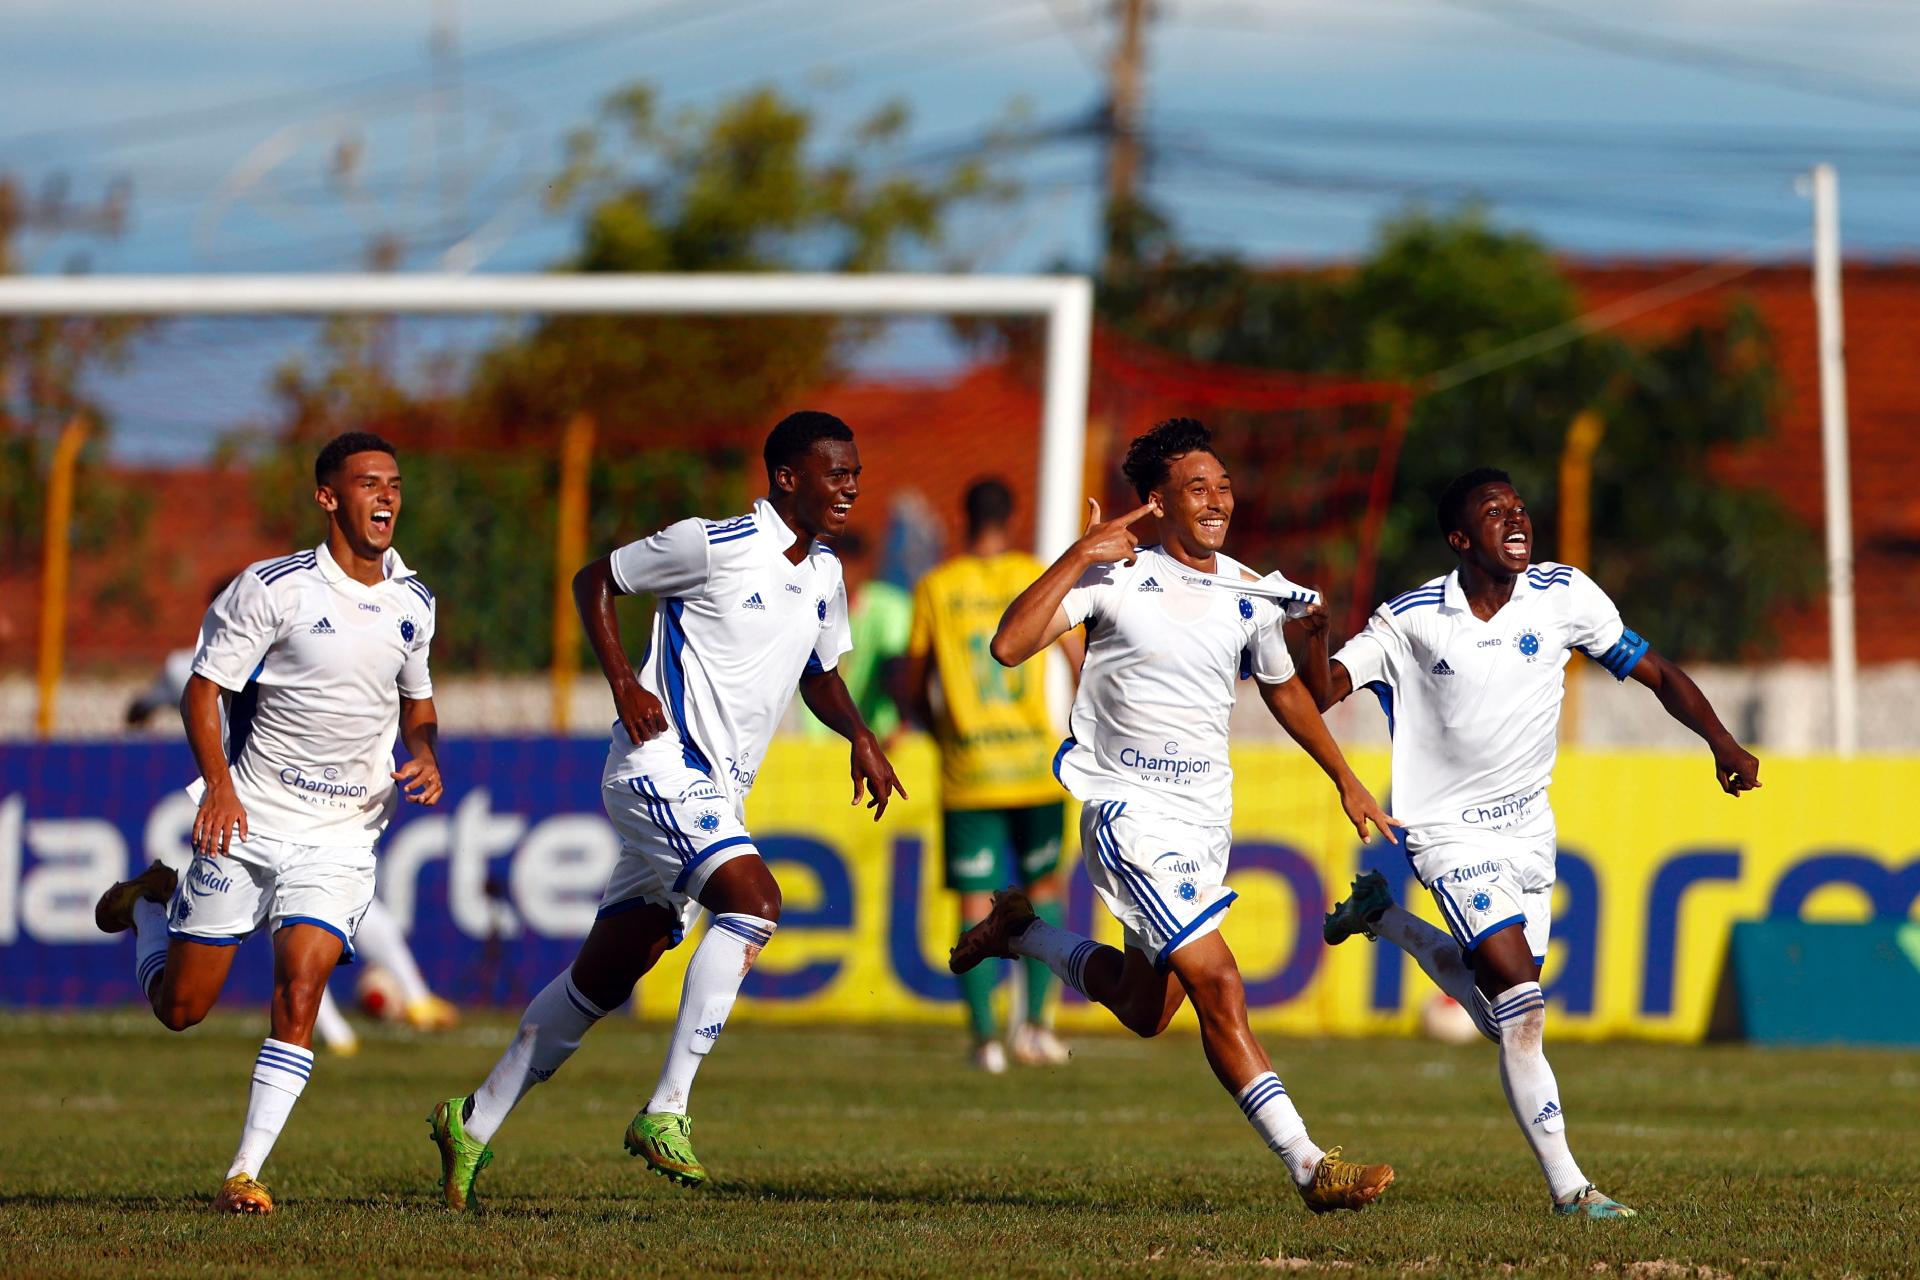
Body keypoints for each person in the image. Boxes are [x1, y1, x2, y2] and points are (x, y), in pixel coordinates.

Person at [428, 410, 905, 1209]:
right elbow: (595, 580)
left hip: (715, 789)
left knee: (609, 971)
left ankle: (471, 1119)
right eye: (836, 472)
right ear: (788, 477)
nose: (851, 486)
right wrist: (623, 681)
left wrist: (860, 734)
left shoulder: (823, 572)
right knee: (755, 903)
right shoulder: (709, 543)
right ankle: (666, 1110)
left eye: (856, 471)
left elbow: (818, 675)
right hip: (657, 765)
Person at [955, 418, 1400, 1214]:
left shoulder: (1249, 590)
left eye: (1224, 485)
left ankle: (1022, 933)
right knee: (1219, 983)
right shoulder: (1114, 575)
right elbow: (1009, 645)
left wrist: (1345, 776)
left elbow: (1285, 689)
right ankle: (1309, 1165)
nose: (1218, 499)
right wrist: (1077, 556)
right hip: (1129, 815)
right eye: (1198, 487)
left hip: (1202, 820)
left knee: (1144, 1006)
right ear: (1156, 502)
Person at [1303, 466, 1762, 1219]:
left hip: (1527, 829)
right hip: (1445, 831)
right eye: (1494, 512)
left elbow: (1655, 670)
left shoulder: (1565, 595)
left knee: (1499, 1011)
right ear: (1460, 539)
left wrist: (1721, 741)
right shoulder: (1411, 619)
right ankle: (1571, 1189)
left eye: (1519, 507)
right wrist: (1311, 638)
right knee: (1522, 1002)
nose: (1516, 518)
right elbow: (1324, 691)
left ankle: (1381, 917)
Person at [91, 431, 444, 1215]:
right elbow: (201, 690)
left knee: (303, 984)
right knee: (181, 1010)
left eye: (394, 483)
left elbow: (418, 702)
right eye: (367, 484)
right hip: (250, 818)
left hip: (344, 831)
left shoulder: (414, 601)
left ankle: (242, 1173)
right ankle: (151, 904)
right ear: (328, 497)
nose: (385, 497)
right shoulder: (272, 588)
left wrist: (424, 751)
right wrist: (218, 789)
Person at [123, 587, 460, 1057]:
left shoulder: (300, 644)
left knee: (314, 926)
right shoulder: (188, 663)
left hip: (309, 812)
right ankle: (147, 910)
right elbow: (169, 697)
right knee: (181, 1008)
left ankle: (368, 1019)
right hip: (233, 808)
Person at [905, 477, 1082, 1072]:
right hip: (1035, 765)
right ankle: (1034, 1029)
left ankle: (984, 1042)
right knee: (1046, 891)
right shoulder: (1034, 575)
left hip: (970, 768)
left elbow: (912, 678)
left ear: (962, 517)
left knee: (972, 903)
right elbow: (1078, 657)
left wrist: (937, 728)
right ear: (1012, 517)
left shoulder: (936, 586)